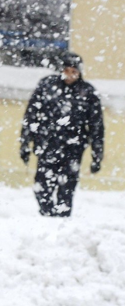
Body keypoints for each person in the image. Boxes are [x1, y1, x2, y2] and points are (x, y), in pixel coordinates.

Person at [19, 51, 104, 216]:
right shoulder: (47, 86)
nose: (69, 75)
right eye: (66, 70)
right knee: (42, 185)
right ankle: (46, 215)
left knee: (67, 187)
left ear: (79, 72)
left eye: (74, 71)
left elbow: (96, 126)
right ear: (60, 70)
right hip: (47, 144)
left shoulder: (87, 92)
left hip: (73, 148)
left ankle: (62, 219)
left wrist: (97, 155)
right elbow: (31, 116)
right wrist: (25, 143)